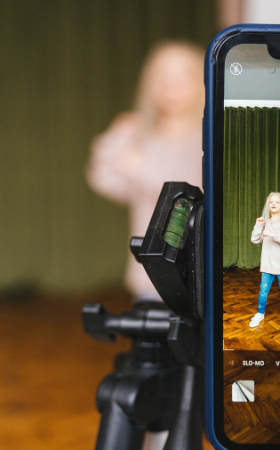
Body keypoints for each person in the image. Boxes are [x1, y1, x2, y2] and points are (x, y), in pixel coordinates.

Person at [86, 41, 205, 301]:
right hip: (149, 275)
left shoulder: (205, 137)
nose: (171, 85)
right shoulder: (141, 135)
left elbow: (191, 192)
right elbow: (104, 178)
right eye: (163, 76)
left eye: (183, 76)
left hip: (196, 271)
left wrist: (142, 168)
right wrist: (119, 136)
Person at [249, 192, 280, 327]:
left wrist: (272, 234)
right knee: (263, 291)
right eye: (271, 202)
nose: (273, 204)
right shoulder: (265, 222)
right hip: (268, 264)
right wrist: (258, 225)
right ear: (268, 205)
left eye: (277, 202)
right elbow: (255, 239)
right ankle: (260, 313)